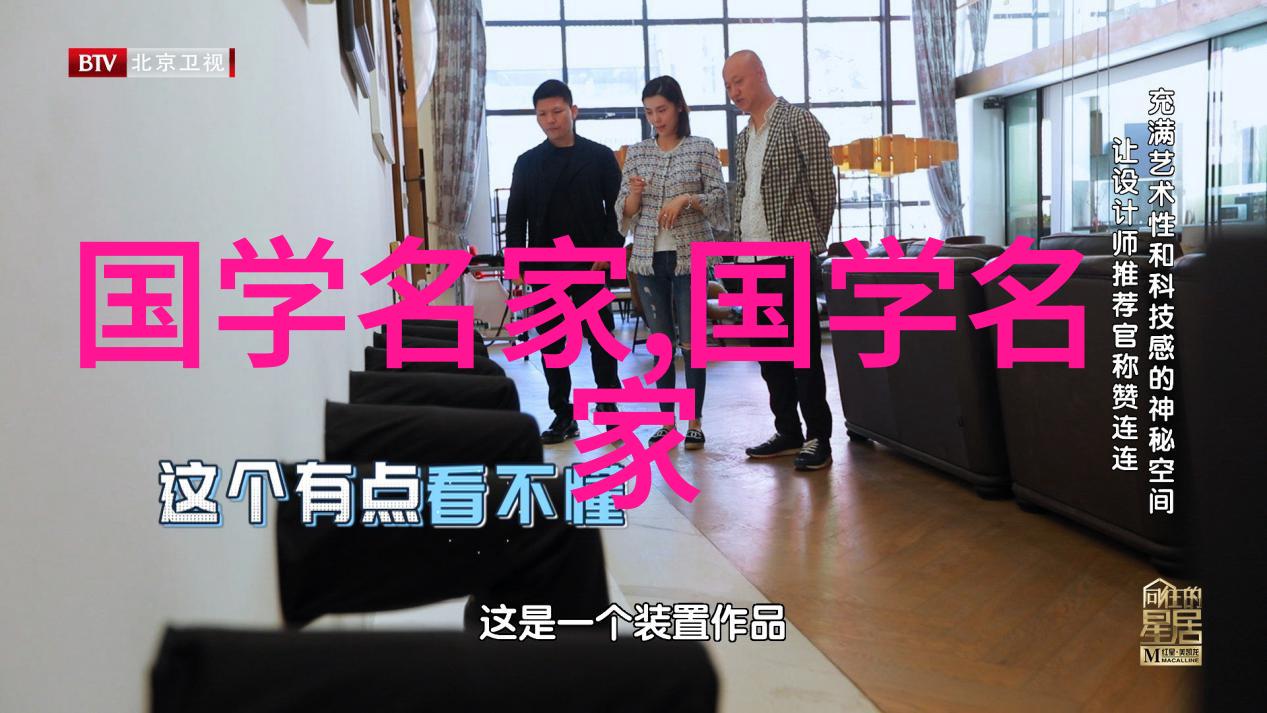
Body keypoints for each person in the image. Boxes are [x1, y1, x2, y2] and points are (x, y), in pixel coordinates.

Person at [722, 50, 837, 471]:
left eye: (739, 81)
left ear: (760, 74)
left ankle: (818, 436)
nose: (734, 92)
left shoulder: (798, 121)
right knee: (769, 353)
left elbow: (824, 190)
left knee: (802, 351)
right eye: (728, 86)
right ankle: (787, 430)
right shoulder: (743, 138)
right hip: (751, 260)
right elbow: (742, 198)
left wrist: (809, 242)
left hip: (791, 256)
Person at [504, 80, 625, 444]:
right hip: (544, 264)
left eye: (557, 112)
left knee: (601, 338)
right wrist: (516, 265)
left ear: (573, 111)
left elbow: (618, 212)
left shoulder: (599, 156)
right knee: (552, 342)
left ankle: (609, 408)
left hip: (590, 262)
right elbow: (516, 217)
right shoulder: (527, 162)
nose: (550, 120)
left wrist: (609, 251)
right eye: (542, 114)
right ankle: (563, 415)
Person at [615, 76, 728, 450]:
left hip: (689, 259)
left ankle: (694, 421)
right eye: (649, 112)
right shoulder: (637, 152)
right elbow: (625, 212)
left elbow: (718, 199)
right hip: (648, 260)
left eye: (661, 110)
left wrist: (686, 200)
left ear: (679, 106)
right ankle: (666, 421)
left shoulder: (701, 147)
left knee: (693, 342)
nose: (656, 119)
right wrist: (634, 195)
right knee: (661, 343)